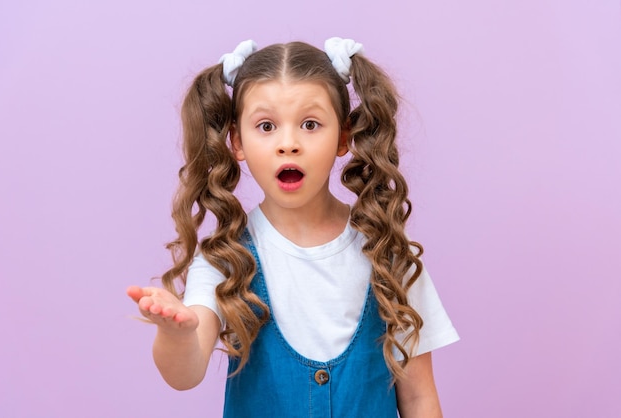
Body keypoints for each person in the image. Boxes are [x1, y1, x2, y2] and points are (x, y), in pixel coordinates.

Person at [127, 37, 459, 418]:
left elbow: (418, 398)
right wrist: (177, 334)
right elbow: (184, 374)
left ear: (343, 138)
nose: (288, 144)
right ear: (237, 141)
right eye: (266, 126)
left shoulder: (387, 253)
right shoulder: (225, 258)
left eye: (310, 124)